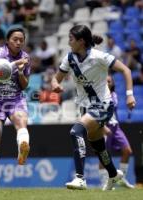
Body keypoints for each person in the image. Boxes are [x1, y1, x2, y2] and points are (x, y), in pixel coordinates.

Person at [51, 25, 136, 190]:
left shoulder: (100, 57)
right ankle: (113, 174)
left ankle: (80, 178)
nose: (68, 43)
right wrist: (55, 85)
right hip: (85, 108)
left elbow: (126, 70)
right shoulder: (69, 59)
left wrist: (130, 94)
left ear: (81, 41)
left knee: (76, 132)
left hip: (103, 105)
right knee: (98, 146)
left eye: (71, 39)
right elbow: (56, 79)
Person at [0, 26, 30, 191]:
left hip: (15, 99)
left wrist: (20, 73)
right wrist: (16, 64)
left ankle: (22, 149)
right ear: (7, 41)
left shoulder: (26, 57)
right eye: (15, 39)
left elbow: (25, 86)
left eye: (21, 40)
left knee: (21, 123)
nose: (18, 42)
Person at [99, 75, 134, 189]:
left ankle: (121, 178)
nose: (107, 83)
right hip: (104, 127)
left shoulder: (114, 95)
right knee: (104, 155)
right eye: (105, 82)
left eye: (109, 81)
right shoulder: (97, 96)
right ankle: (105, 182)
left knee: (127, 150)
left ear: (112, 84)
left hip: (115, 127)